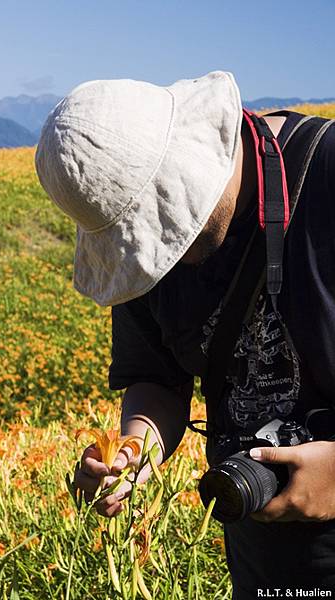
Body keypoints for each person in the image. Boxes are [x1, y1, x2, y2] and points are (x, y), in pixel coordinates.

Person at [35, 71, 335, 598]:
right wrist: (134, 451)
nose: (162, 259)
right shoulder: (147, 267)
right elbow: (156, 380)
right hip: (263, 557)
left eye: (168, 229)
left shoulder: (327, 179)